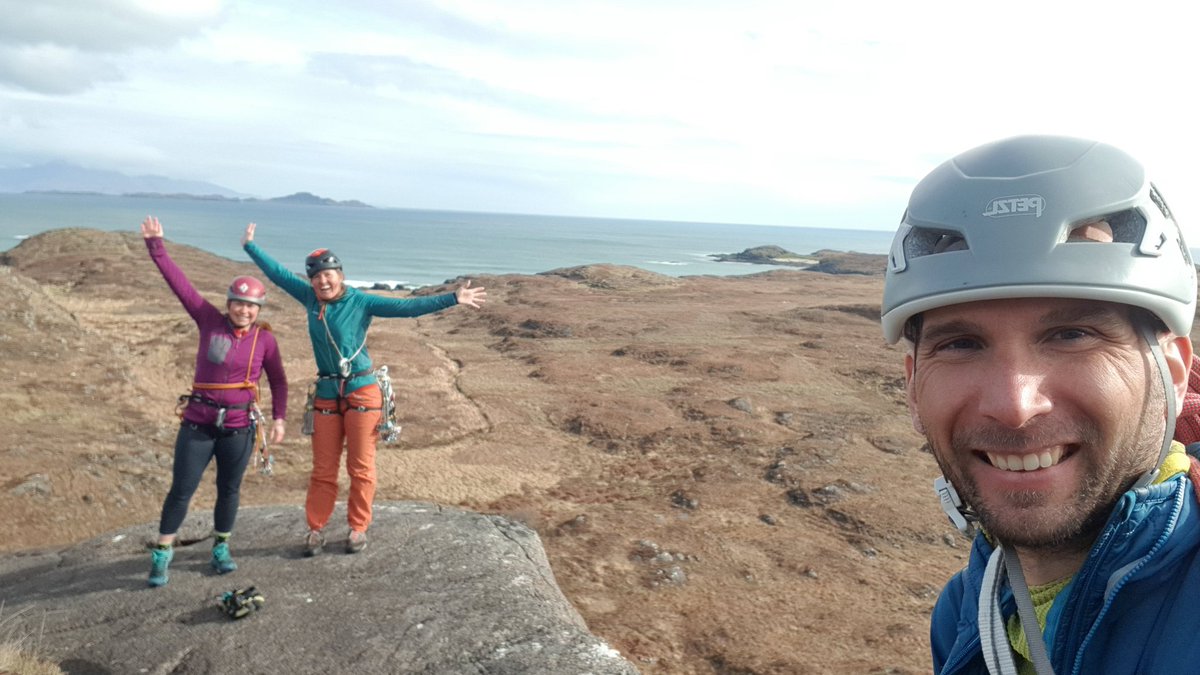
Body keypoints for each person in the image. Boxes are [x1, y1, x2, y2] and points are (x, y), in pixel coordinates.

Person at [881, 135, 1200, 674]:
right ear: (913, 387)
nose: (1015, 406)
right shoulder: (966, 611)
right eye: (961, 344)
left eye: (1073, 335)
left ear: (1172, 371)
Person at [240, 222, 486, 556]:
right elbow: (279, 274)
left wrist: (453, 298)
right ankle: (315, 529)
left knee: (360, 467)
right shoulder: (310, 298)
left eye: (328, 275)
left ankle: (357, 528)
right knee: (323, 469)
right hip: (327, 394)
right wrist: (250, 246)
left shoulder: (361, 302)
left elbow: (406, 309)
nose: (322, 281)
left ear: (340, 275)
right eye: (316, 277)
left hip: (362, 391)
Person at [141, 216, 288, 587]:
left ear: (259, 309)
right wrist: (156, 246)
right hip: (198, 424)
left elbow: (278, 380)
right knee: (181, 490)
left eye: (251, 306)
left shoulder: (265, 340)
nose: (244, 310)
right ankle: (162, 555)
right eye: (238, 304)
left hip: (239, 427)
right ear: (229, 304)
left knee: (229, 490)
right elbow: (180, 285)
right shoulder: (208, 320)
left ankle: (221, 548)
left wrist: (280, 418)